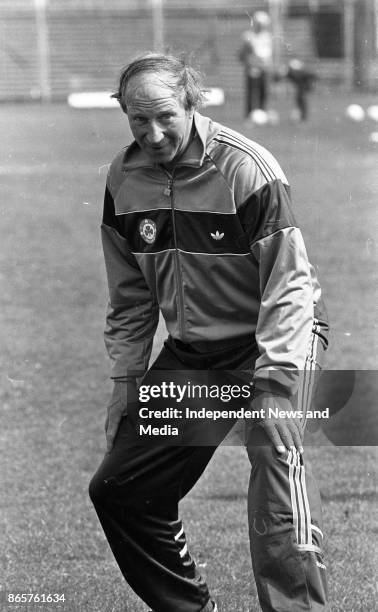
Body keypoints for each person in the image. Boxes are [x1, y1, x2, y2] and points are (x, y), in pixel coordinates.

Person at [89, 52, 330, 612]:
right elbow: (129, 298)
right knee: (121, 489)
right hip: (195, 354)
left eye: (165, 116)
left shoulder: (247, 168)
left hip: (274, 338)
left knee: (276, 462)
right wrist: (126, 382)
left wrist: (273, 386)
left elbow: (289, 286)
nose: (152, 133)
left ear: (191, 102)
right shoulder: (122, 180)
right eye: (137, 120)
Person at [238, 10, 273, 121]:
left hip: (264, 68)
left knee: (263, 92)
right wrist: (250, 64)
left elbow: (267, 53)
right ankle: (249, 115)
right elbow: (242, 54)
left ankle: (263, 114)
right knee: (251, 92)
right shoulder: (248, 36)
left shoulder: (267, 36)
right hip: (252, 68)